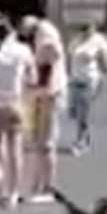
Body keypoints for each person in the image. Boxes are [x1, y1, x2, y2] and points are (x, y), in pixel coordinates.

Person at [0, 16, 34, 210]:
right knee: (15, 150)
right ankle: (13, 194)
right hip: (15, 102)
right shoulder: (23, 50)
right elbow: (32, 77)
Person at [21, 15, 68, 203]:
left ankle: (47, 188)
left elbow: (50, 57)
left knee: (46, 143)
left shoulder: (45, 34)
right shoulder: (43, 32)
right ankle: (38, 185)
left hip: (50, 94)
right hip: (45, 94)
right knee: (40, 142)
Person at [67, 22, 107, 154]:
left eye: (88, 27)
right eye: (83, 28)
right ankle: (85, 137)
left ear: (94, 27)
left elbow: (105, 62)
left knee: (83, 113)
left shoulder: (100, 42)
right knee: (74, 113)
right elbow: (70, 58)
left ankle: (81, 142)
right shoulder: (76, 40)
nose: (85, 30)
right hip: (74, 80)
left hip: (89, 81)